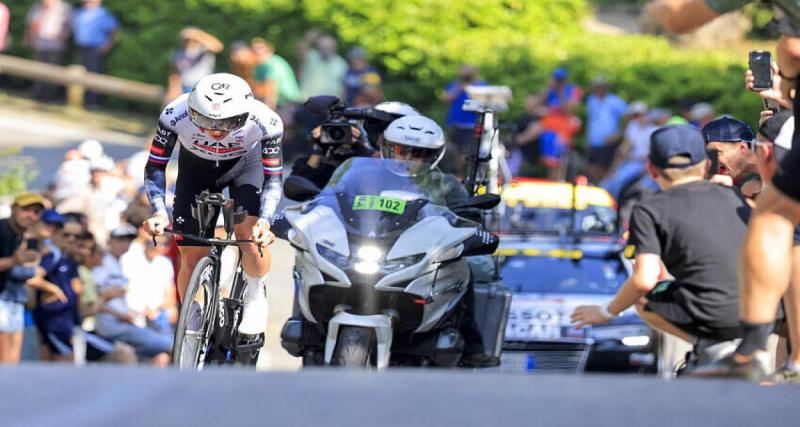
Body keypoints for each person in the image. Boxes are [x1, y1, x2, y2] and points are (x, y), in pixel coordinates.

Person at [571, 125, 755, 368]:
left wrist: (606, 311)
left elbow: (644, 280)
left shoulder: (649, 209)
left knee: (643, 298)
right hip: (763, 310)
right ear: (707, 165)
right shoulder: (734, 194)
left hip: (714, 317)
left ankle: (707, 345)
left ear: (651, 169)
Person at [142, 73, 281, 353]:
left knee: (248, 238)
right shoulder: (173, 114)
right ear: (192, 110)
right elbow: (155, 167)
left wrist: (264, 222)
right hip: (196, 172)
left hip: (245, 168)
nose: (215, 131)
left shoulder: (266, 122)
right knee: (191, 257)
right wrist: (158, 212)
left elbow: (273, 179)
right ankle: (192, 319)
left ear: (245, 114)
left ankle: (254, 292)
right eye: (204, 121)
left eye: (228, 123)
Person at [290, 101, 419, 190]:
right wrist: (319, 149)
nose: (383, 141)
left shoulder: (416, 167)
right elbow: (300, 188)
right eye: (378, 133)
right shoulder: (352, 159)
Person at [93, 224, 170, 365]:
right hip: (112, 327)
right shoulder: (102, 262)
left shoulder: (118, 262)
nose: (125, 244)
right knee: (170, 344)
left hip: (125, 323)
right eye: (120, 239)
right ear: (110, 241)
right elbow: (95, 301)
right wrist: (121, 314)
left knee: (157, 354)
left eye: (128, 240)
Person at [0, 193, 45, 364]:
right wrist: (13, 261)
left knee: (12, 363)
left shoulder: (21, 236)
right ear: (14, 209)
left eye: (36, 212)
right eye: (26, 209)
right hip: (2, 300)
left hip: (13, 300)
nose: (31, 215)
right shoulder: (2, 229)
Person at [601, 101, 657, 201]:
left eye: (641, 115)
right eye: (636, 115)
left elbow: (652, 154)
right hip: (631, 161)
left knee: (620, 181)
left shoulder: (653, 130)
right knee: (607, 183)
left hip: (642, 163)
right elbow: (625, 147)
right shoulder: (633, 126)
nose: (639, 118)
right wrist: (615, 166)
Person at [536, 68, 583, 180]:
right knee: (549, 163)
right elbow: (534, 106)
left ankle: (558, 182)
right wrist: (548, 89)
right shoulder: (549, 91)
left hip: (564, 130)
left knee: (559, 160)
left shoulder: (573, 90)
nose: (558, 82)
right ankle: (552, 182)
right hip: (549, 130)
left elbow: (569, 110)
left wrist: (561, 92)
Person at [71, 0, 119, 109]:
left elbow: (114, 30)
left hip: (95, 48)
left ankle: (92, 102)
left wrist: (108, 45)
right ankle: (78, 100)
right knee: (79, 72)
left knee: (93, 74)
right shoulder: (80, 11)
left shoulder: (103, 13)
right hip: (81, 47)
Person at [25, 0, 73, 102]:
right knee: (37, 69)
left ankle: (48, 96)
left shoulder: (64, 8)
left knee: (52, 71)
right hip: (40, 43)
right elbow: (31, 22)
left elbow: (71, 26)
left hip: (55, 46)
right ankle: (37, 93)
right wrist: (30, 37)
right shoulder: (38, 6)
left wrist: (63, 36)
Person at [701, 115, 761, 197]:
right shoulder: (752, 183)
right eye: (709, 154)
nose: (712, 160)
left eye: (717, 152)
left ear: (742, 147)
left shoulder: (779, 166)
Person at [585, 76, 628, 183]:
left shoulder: (615, 101)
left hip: (608, 141)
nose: (599, 89)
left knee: (605, 169)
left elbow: (628, 116)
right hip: (594, 141)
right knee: (592, 167)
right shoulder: (592, 100)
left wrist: (619, 133)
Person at [164, 27, 223, 103]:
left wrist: (197, 34)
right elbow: (174, 73)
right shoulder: (178, 53)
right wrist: (173, 88)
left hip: (201, 89)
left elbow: (218, 47)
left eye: (191, 39)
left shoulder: (204, 50)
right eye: (186, 40)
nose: (188, 42)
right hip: (183, 88)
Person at [441, 65, 487, 159]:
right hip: (455, 123)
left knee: (467, 152)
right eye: (465, 70)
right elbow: (445, 100)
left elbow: (487, 103)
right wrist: (459, 88)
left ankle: (466, 172)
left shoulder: (481, 85)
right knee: (456, 151)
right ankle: (459, 173)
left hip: (472, 124)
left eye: (469, 70)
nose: (467, 73)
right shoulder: (454, 85)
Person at [251, 37, 301, 112]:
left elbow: (272, 88)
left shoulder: (272, 63)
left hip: (288, 102)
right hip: (275, 102)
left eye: (260, 48)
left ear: (269, 49)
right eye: (253, 49)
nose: (256, 51)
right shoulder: (258, 66)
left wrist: (268, 110)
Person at [298, 32, 348, 99]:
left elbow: (344, 85)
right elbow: (301, 49)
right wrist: (308, 38)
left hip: (331, 103)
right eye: (324, 46)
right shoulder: (311, 56)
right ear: (319, 46)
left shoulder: (340, 63)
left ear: (334, 47)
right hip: (308, 102)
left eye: (329, 46)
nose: (326, 49)